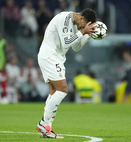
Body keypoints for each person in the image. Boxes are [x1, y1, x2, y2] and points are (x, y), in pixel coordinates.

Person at [36, 8, 97, 138]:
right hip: (50, 56)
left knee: (54, 93)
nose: (81, 27)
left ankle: (46, 129)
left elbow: (75, 47)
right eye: (83, 25)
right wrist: (82, 31)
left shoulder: (76, 24)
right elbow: (65, 43)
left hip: (56, 58)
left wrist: (87, 35)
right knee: (63, 90)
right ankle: (43, 123)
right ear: (81, 18)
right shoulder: (65, 18)